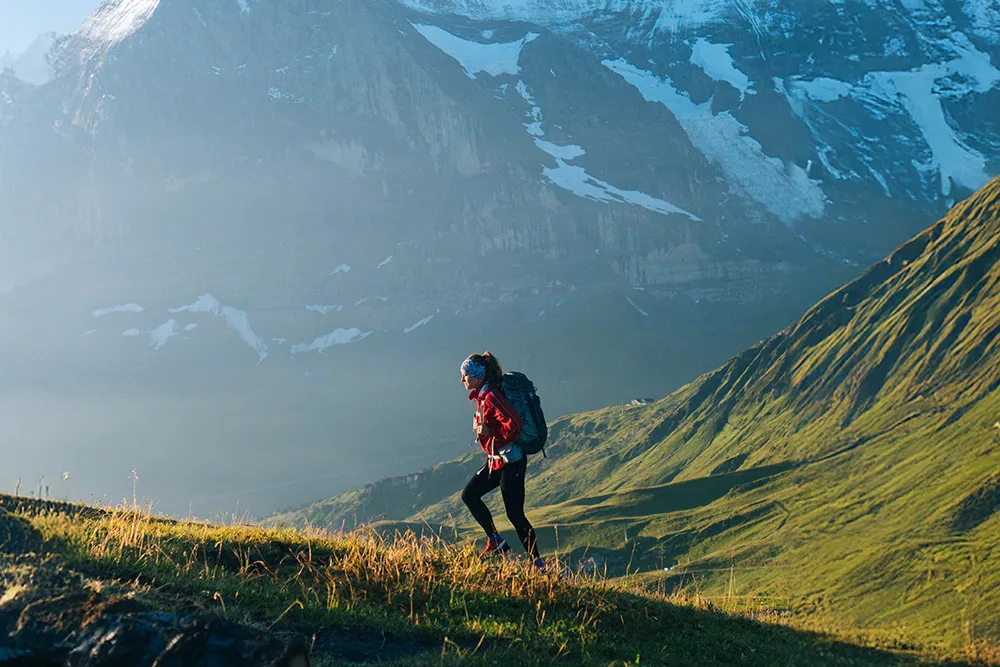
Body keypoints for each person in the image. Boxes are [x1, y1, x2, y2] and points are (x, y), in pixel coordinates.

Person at [460, 352, 544, 568]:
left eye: (465, 375)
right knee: (470, 495)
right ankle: (496, 541)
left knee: (515, 515)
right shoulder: (483, 396)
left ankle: (538, 564)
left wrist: (491, 431)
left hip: (511, 462)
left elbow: (514, 425)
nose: (462, 380)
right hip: (496, 460)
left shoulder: (492, 397)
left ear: (478, 376)